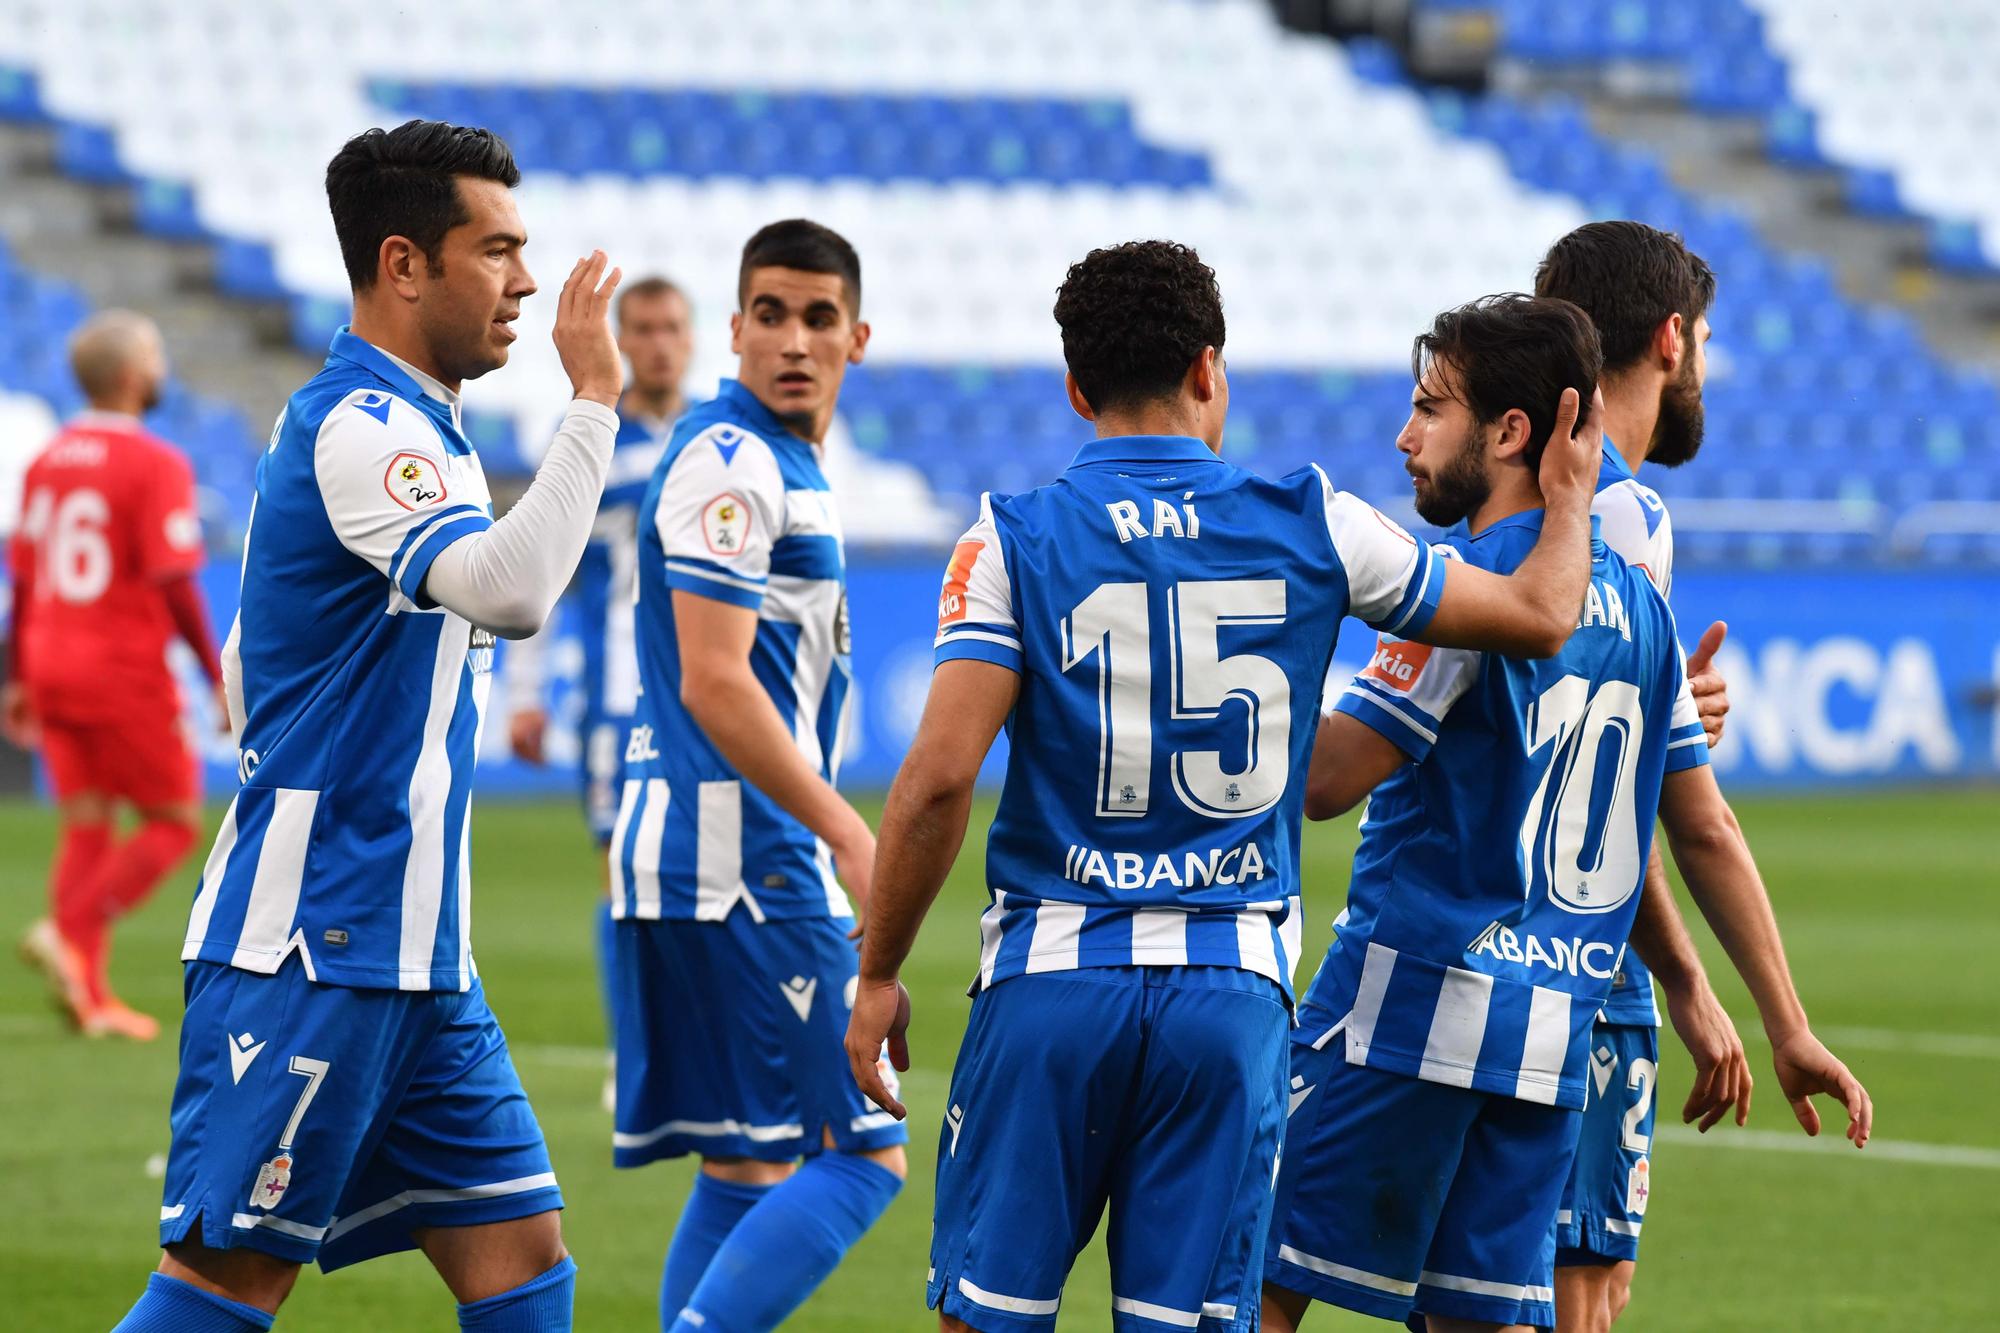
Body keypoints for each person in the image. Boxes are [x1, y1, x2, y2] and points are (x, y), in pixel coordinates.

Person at [845, 243, 1610, 1333]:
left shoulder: (1006, 539)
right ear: (1209, 368)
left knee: (986, 1316)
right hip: (1229, 993)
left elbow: (934, 785)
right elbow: (1539, 612)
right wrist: (1569, 498)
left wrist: (877, 969)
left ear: (1074, 388)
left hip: (1051, 981)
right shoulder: (1315, 521)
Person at [1260, 294, 1871, 1333]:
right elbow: (1702, 829)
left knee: (1253, 1280)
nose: (1404, 439)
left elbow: (1326, 781)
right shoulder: (1639, 603)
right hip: (1545, 1042)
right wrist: (1785, 1023)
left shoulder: (1461, 590)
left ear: (1508, 433)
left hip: (1404, 1009)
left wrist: (1261, 659)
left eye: (1428, 410)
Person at [110, 119, 625, 1333]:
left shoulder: (412, 429)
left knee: (522, 1259)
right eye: (495, 250)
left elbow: (251, 659)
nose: (526, 282)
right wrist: (592, 399)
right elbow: (513, 590)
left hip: (416, 957)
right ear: (403, 264)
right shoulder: (365, 424)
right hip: (314, 950)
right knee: (226, 1282)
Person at [609, 219, 906, 1333]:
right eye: (769, 315)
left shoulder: (779, 462)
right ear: (732, 330)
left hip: (695, 847)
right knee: (866, 1153)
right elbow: (715, 681)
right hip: (741, 859)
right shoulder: (732, 458)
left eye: (818, 317)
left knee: (745, 1166)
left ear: (857, 337)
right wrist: (844, 826)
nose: (792, 339)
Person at [1534, 220, 1770, 1331]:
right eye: (1707, 339)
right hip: (1576, 968)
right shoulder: (1622, 511)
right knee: (1571, 1295)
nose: (1705, 365)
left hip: (1508, 956)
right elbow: (1621, 802)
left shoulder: (1537, 492)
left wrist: (1661, 696)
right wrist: (1690, 979)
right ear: (1670, 340)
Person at [5, 310, 225, 1040]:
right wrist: (214, 669)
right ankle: (69, 935)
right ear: (133, 375)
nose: (162, 368)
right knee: (171, 822)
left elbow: (26, 579)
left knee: (89, 822)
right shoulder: (155, 463)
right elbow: (173, 580)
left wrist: (13, 677)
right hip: (119, 666)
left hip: (48, 658)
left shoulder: (44, 461)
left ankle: (92, 998)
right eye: (157, 355)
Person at [503, 273, 694, 1096]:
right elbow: (542, 565)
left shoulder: (721, 435)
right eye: (640, 328)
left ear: (692, 337)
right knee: (623, 869)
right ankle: (637, 1054)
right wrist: (526, 690)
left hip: (716, 689)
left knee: (709, 867)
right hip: (623, 697)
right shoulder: (590, 436)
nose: (655, 343)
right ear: (620, 338)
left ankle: (707, 1043)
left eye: (669, 328)